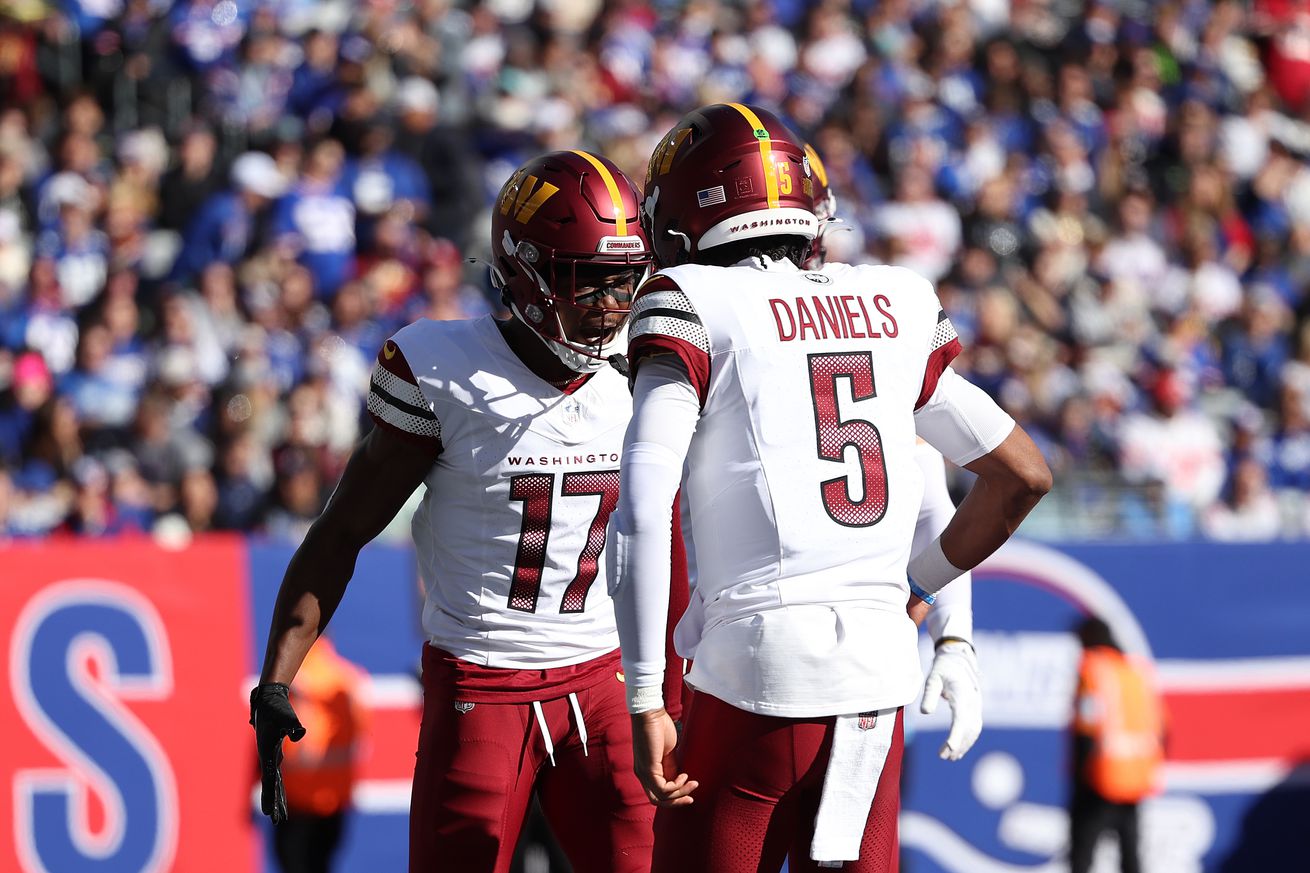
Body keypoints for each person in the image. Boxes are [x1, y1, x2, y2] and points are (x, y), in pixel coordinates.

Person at [609, 103, 1051, 873]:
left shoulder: (693, 301)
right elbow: (1018, 475)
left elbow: (641, 510)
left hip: (752, 666)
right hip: (877, 670)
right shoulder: (892, 302)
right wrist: (940, 613)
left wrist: (645, 693)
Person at [249, 149, 684, 873]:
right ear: (525, 272)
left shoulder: (650, 367)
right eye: (588, 281)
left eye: (622, 280)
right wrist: (275, 676)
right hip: (483, 680)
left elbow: (677, 531)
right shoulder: (442, 367)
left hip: (605, 680)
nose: (611, 304)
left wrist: (673, 684)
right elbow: (344, 529)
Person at [804, 140, 982, 764]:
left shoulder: (709, 323)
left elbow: (938, 496)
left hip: (754, 658)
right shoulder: (881, 305)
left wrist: (951, 630)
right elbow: (997, 480)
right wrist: (949, 626)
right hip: (844, 656)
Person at [1069, 617, 1165, 873]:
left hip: (1100, 780)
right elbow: (1163, 729)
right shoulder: (1135, 673)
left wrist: (1079, 778)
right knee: (1131, 856)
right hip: (1135, 781)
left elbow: (1085, 730)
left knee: (1082, 855)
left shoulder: (1093, 670)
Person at [272, 636, 368, 873]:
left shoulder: (288, 682)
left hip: (296, 804)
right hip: (336, 804)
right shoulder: (350, 678)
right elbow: (362, 741)